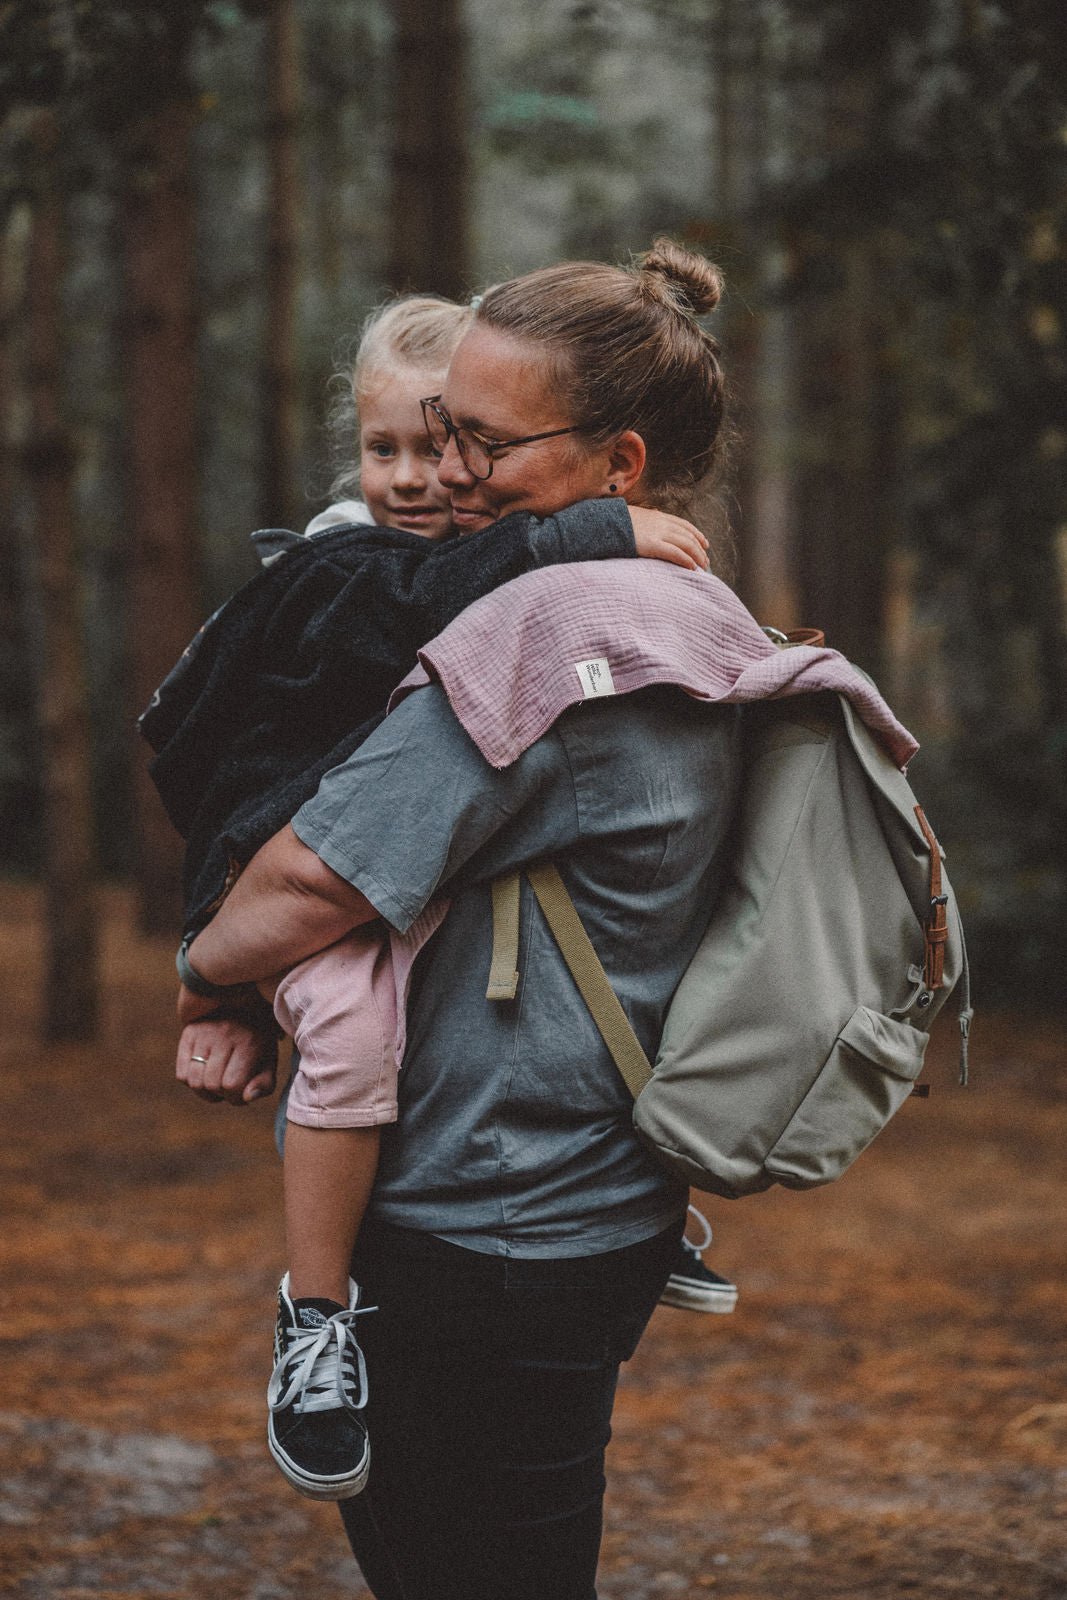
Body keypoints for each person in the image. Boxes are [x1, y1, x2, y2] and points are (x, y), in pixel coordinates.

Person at [173, 237, 747, 1598]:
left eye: (482, 439)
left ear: (617, 467)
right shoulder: (704, 614)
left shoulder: (538, 639)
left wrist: (203, 974)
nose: (450, 476)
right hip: (602, 1195)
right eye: (439, 434)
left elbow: (311, 883)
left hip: (473, 1222)